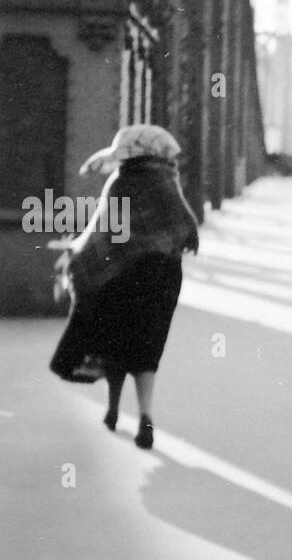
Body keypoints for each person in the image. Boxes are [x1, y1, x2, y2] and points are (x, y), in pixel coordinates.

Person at [49, 124, 199, 449]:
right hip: (163, 279)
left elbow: (105, 236)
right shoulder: (168, 182)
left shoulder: (122, 183)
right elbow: (185, 226)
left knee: (116, 346)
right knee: (147, 351)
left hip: (125, 277)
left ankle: (114, 410)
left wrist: (78, 257)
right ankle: (146, 416)